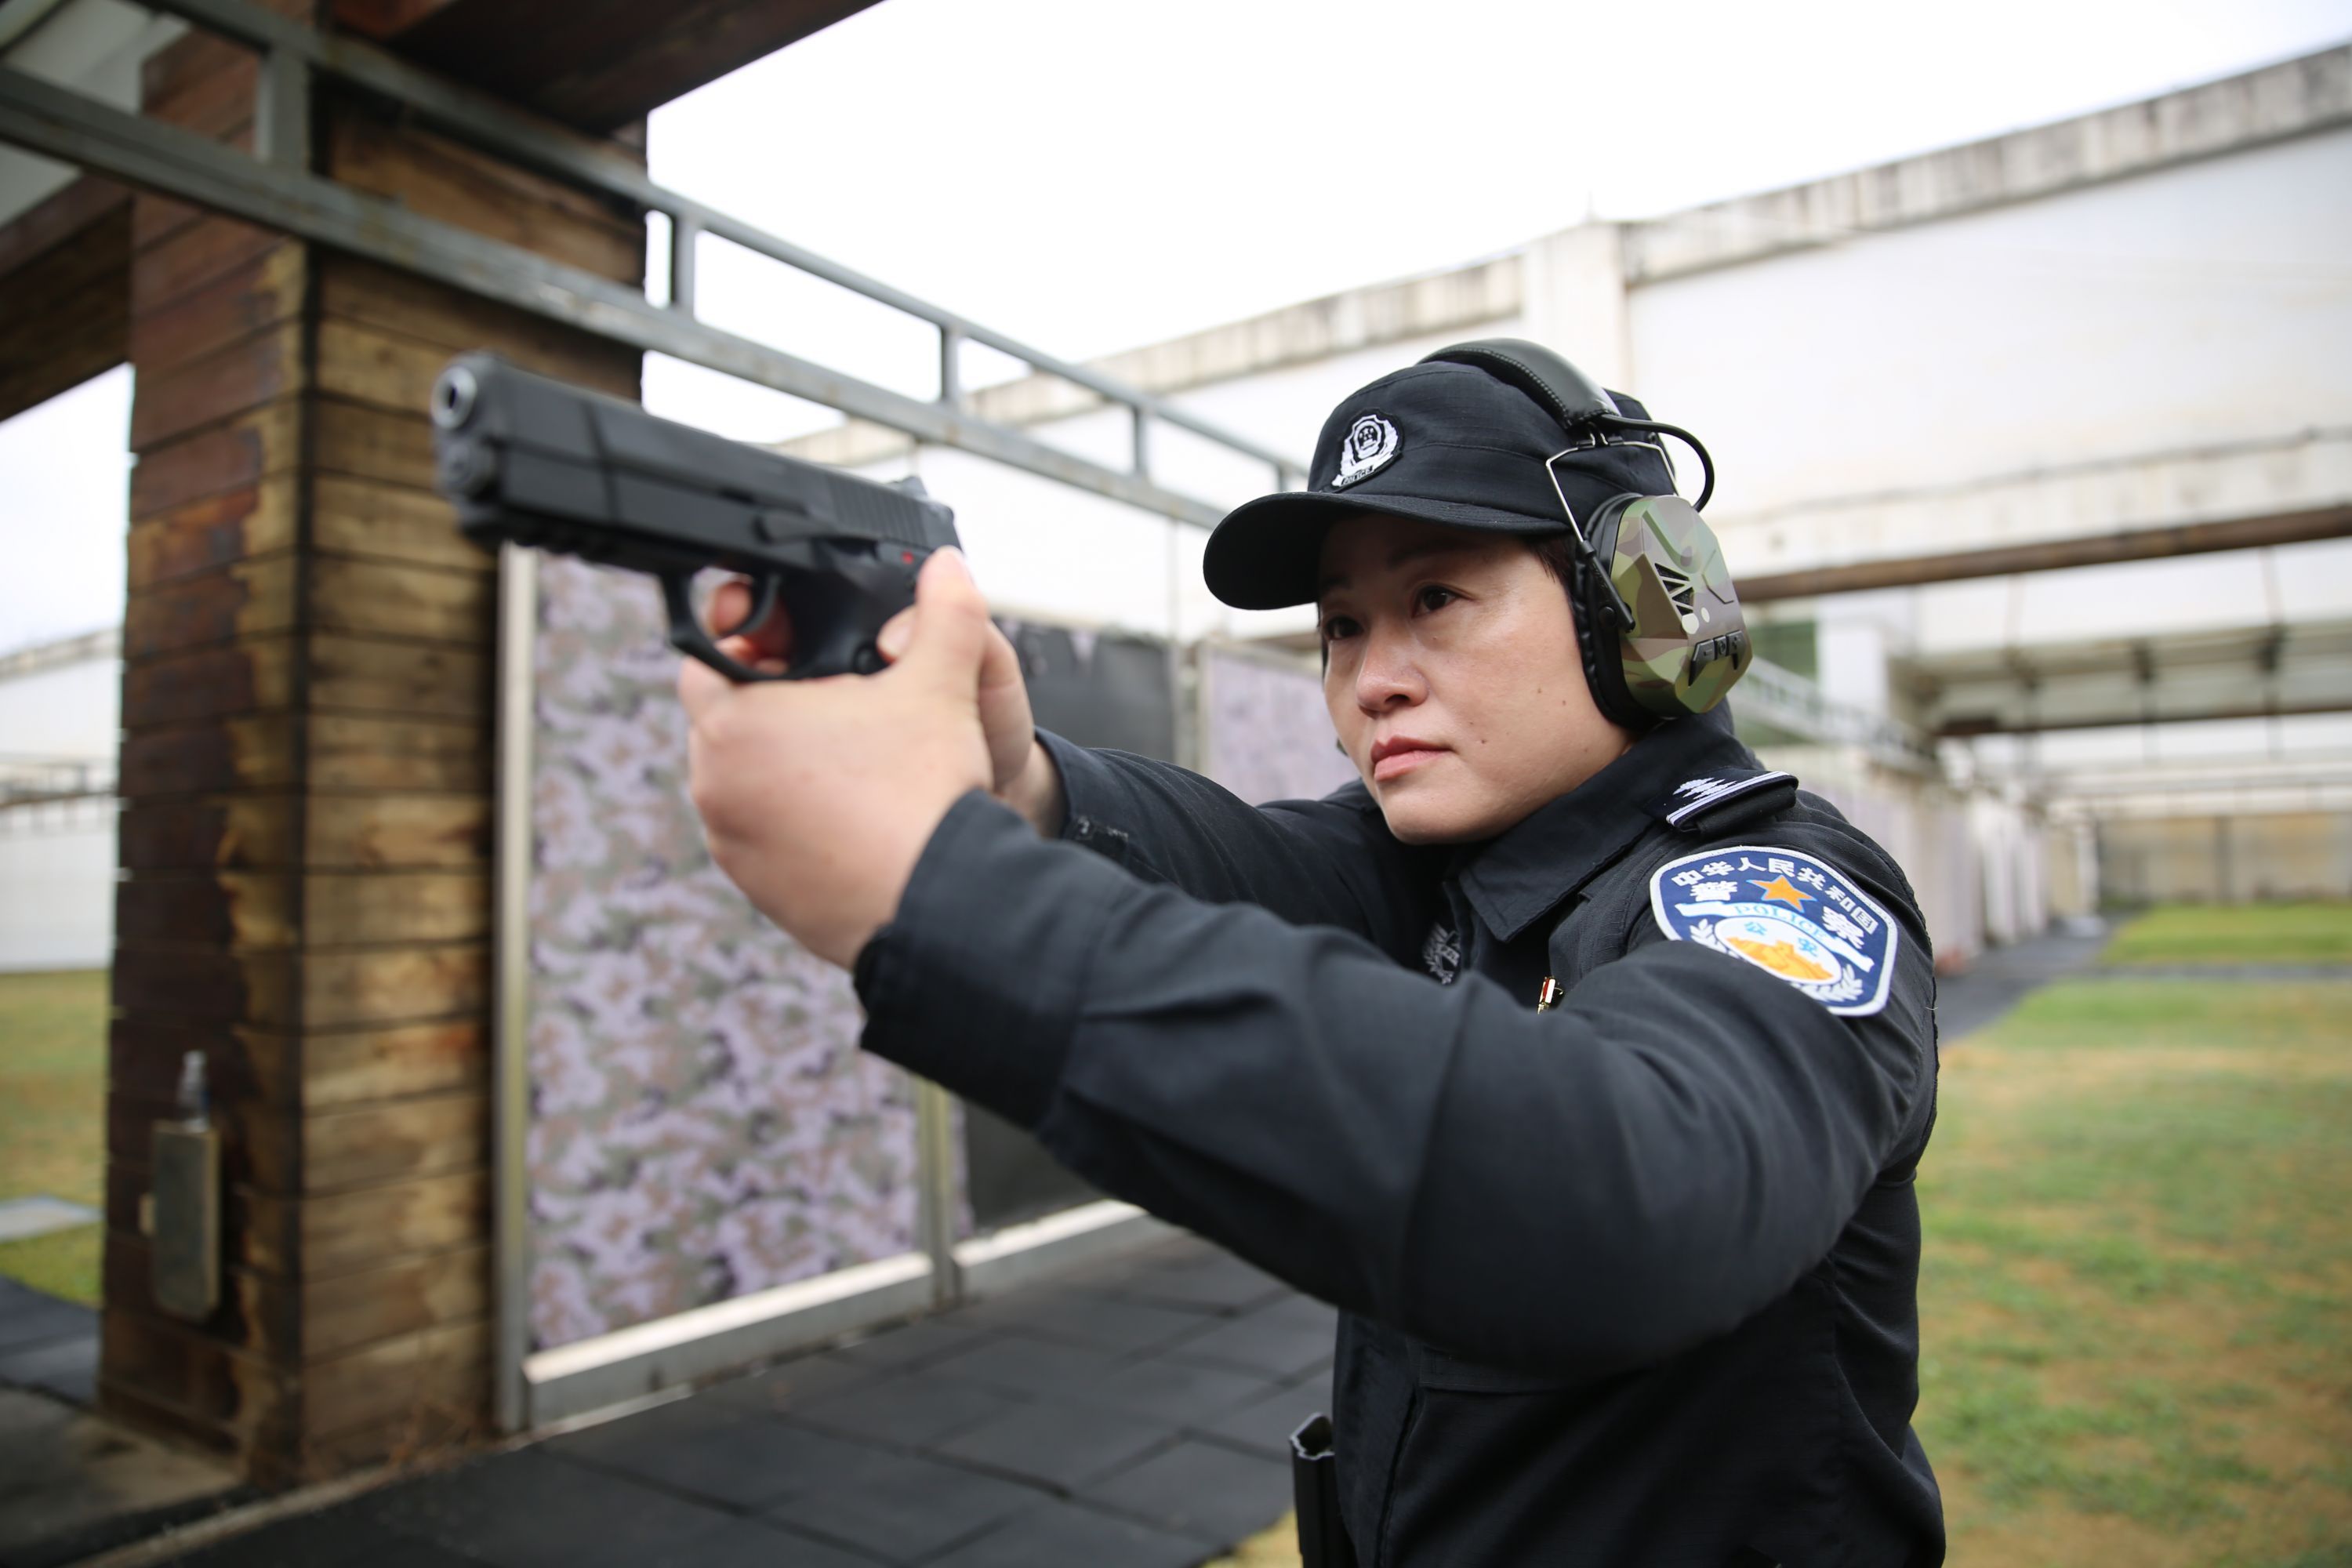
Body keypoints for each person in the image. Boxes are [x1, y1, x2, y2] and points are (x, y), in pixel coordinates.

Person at [678, 340, 1944, 1566]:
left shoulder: (1778, 886)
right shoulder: (1453, 872)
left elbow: (1633, 1200)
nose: (1371, 678)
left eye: (1435, 597)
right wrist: (1009, 783)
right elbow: (1231, 858)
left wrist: (937, 891)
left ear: (1644, 607)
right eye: (1341, 626)